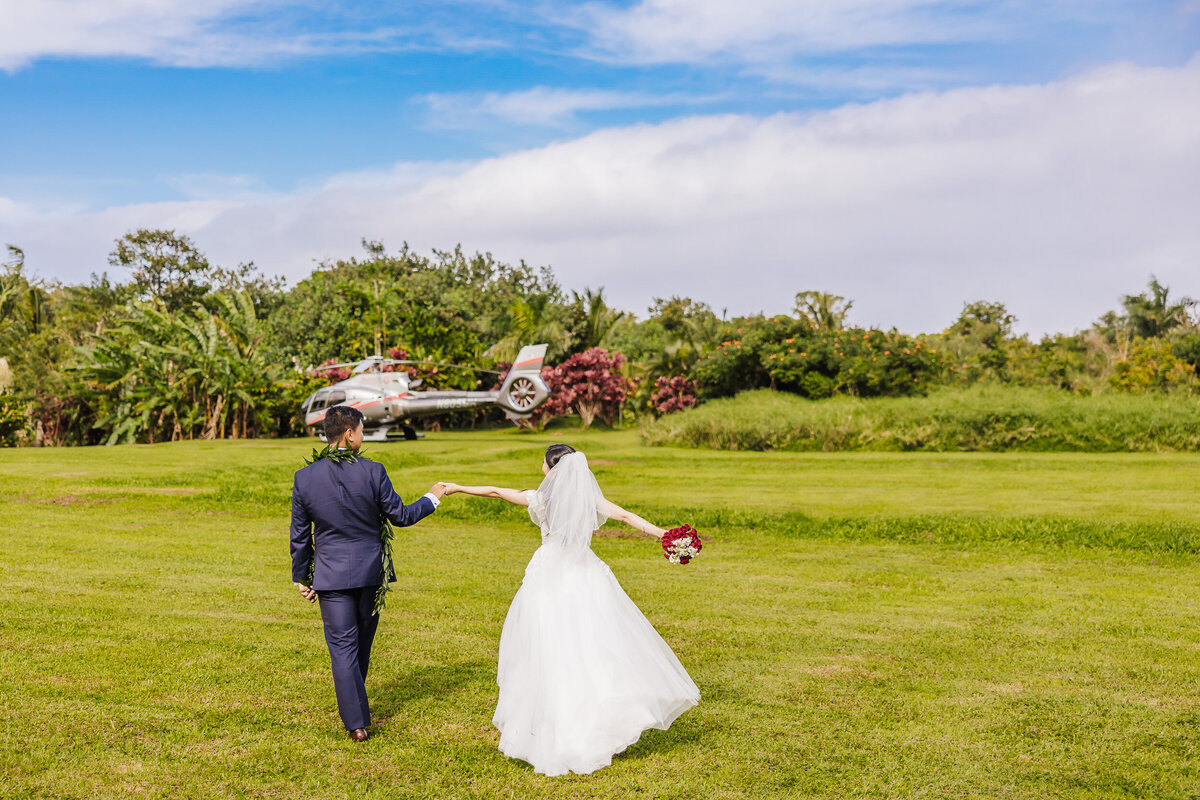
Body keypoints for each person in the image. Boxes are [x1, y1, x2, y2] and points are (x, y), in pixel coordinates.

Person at [442, 443, 700, 776]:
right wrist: (663, 534)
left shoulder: (540, 498)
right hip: (585, 576)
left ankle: (552, 726)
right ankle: (593, 718)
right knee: (592, 647)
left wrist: (456, 487)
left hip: (548, 578)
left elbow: (495, 491)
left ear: (551, 469)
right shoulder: (586, 501)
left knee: (549, 649)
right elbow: (624, 515)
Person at [290, 405, 447, 742]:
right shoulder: (373, 471)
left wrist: (303, 578)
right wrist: (432, 498)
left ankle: (357, 723)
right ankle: (356, 716)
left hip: (331, 577)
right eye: (361, 430)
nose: (362, 436)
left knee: (344, 648)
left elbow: (300, 536)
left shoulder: (305, 478)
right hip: (370, 572)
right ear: (349, 433)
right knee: (360, 645)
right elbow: (401, 516)